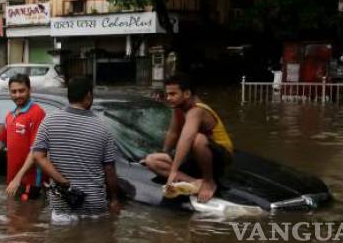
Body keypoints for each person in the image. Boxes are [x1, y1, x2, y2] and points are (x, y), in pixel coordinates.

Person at [30, 75, 121, 223]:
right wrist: (114, 200)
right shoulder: (103, 128)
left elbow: (38, 156)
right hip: (94, 205)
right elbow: (109, 169)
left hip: (62, 203)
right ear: (89, 96)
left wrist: (62, 181)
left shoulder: (49, 121)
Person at [142, 74, 233, 202]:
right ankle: (195, 182)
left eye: (173, 94)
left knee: (198, 139)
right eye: (167, 94)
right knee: (152, 160)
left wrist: (173, 171)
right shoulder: (179, 108)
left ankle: (209, 181)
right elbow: (172, 134)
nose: (168, 98)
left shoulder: (197, 110)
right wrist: (164, 154)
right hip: (195, 155)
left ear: (187, 94)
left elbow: (187, 138)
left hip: (220, 156)